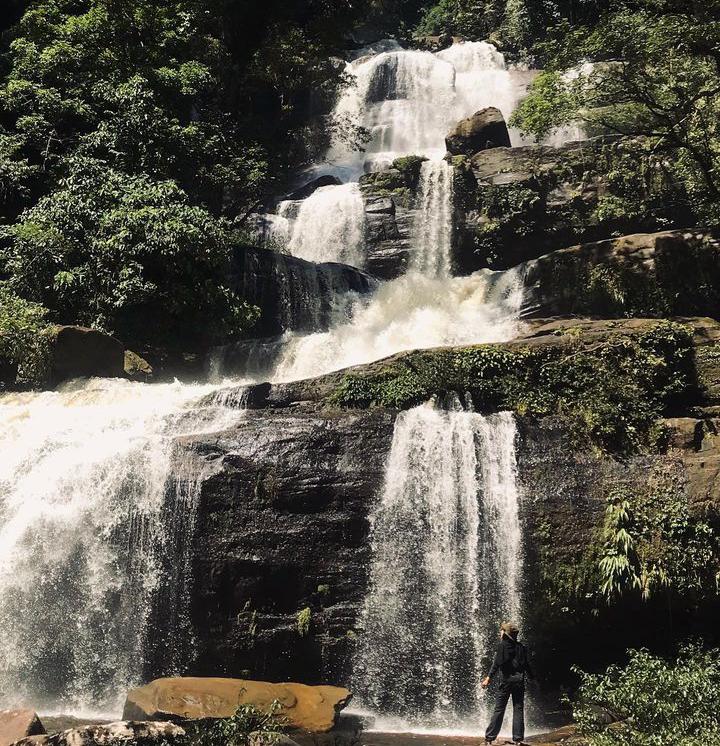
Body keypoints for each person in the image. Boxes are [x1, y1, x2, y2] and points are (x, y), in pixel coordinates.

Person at [481, 621, 534, 745]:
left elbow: (496, 663)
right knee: (518, 709)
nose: (500, 632)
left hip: (506, 682)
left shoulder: (502, 646)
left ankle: (489, 738)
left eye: (502, 630)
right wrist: (532, 677)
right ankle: (518, 740)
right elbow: (526, 665)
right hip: (519, 682)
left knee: (499, 709)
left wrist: (488, 678)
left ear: (505, 634)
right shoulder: (521, 647)